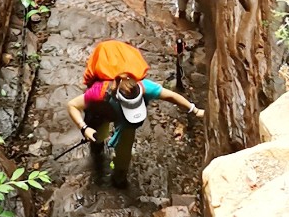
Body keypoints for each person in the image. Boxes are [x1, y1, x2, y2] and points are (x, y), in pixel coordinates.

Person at [66, 71, 203, 188]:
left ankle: (119, 178)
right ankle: (97, 153)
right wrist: (84, 128)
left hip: (126, 123)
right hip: (103, 112)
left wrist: (195, 110)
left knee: (124, 151)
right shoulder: (99, 92)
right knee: (98, 136)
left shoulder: (146, 87)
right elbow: (72, 105)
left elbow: (171, 96)